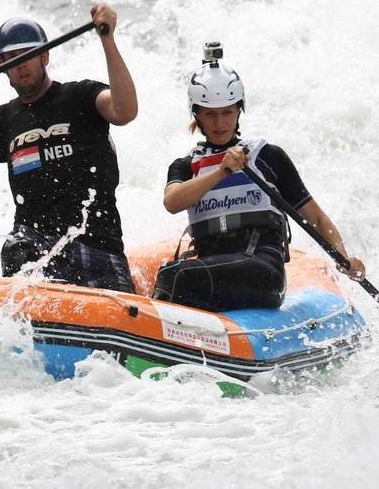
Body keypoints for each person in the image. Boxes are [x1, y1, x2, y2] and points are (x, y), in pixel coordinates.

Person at [0, 4, 138, 292]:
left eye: (27, 55)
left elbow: (126, 110)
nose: (21, 65)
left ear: (45, 55)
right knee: (17, 247)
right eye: (11, 59)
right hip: (36, 249)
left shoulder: (81, 96)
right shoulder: (1, 120)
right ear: (1, 67)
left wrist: (108, 40)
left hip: (98, 247)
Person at [153, 52, 366, 312]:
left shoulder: (267, 156)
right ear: (196, 115)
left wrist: (344, 257)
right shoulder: (186, 165)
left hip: (263, 271)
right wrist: (221, 172)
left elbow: (316, 218)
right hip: (213, 273)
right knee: (174, 273)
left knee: (175, 276)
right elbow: (173, 202)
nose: (220, 123)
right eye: (210, 114)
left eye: (227, 113)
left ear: (239, 110)